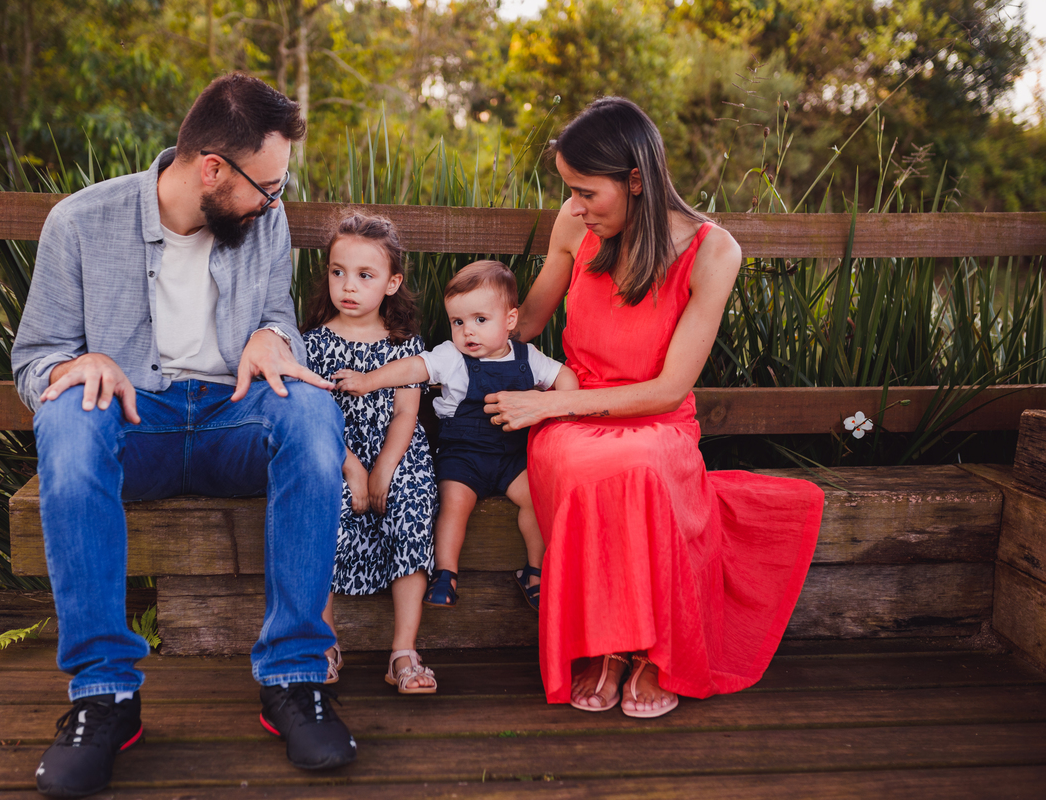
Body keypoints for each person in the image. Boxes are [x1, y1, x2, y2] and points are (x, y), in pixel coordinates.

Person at [11, 74, 357, 798]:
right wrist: (77, 365)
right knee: (67, 417)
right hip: (137, 427)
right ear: (212, 170)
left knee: (311, 413)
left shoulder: (263, 221)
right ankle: (104, 694)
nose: (274, 202)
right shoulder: (79, 222)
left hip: (233, 420)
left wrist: (271, 335)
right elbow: (34, 360)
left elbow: (277, 316)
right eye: (267, 187)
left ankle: (293, 677)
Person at [483, 97, 824, 718]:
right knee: (588, 466)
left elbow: (668, 390)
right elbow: (526, 322)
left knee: (641, 466)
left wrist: (548, 407)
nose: (575, 206)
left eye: (587, 192)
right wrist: (442, 349)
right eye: (570, 191)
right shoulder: (575, 226)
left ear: (636, 179)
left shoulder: (714, 251)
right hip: (571, 417)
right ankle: (609, 648)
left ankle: (646, 649)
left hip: (654, 419)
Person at [335, 260, 578, 612]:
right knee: (453, 503)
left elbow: (564, 375)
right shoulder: (451, 356)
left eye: (480, 320)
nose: (468, 332)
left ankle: (535, 571)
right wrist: (368, 380)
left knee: (537, 498)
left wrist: (564, 406)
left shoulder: (529, 357)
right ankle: (445, 574)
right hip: (463, 456)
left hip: (512, 457)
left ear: (510, 320)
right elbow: (414, 367)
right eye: (458, 322)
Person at [300, 212, 440, 694]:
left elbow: (406, 414)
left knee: (413, 501)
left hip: (396, 452)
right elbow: (314, 416)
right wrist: (353, 468)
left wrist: (382, 469)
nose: (348, 286)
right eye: (338, 272)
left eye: (365, 275)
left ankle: (403, 651)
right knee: (321, 502)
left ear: (391, 283)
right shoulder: (311, 346)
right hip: (334, 451)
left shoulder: (405, 346)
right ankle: (324, 642)